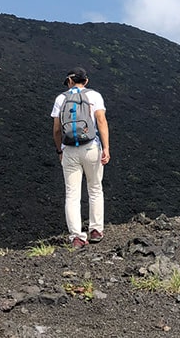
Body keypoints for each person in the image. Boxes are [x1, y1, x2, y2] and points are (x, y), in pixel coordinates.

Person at [51, 67, 110, 248]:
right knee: (95, 188)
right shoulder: (94, 96)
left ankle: (76, 237)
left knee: (72, 194)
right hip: (91, 147)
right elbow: (101, 121)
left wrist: (60, 150)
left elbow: (57, 129)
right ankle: (96, 230)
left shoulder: (61, 99)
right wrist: (106, 147)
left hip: (69, 150)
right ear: (86, 81)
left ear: (69, 82)